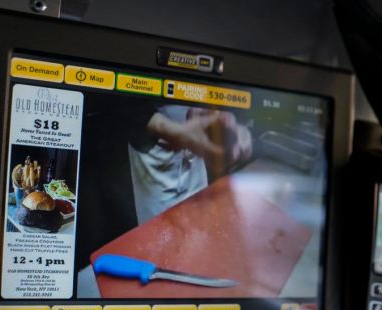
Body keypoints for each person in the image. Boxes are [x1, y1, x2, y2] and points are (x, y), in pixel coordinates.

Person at [75, 101, 252, 295]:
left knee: (196, 232)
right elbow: (120, 104)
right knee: (158, 239)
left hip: (199, 141)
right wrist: (165, 127)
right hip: (154, 145)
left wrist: (224, 119)